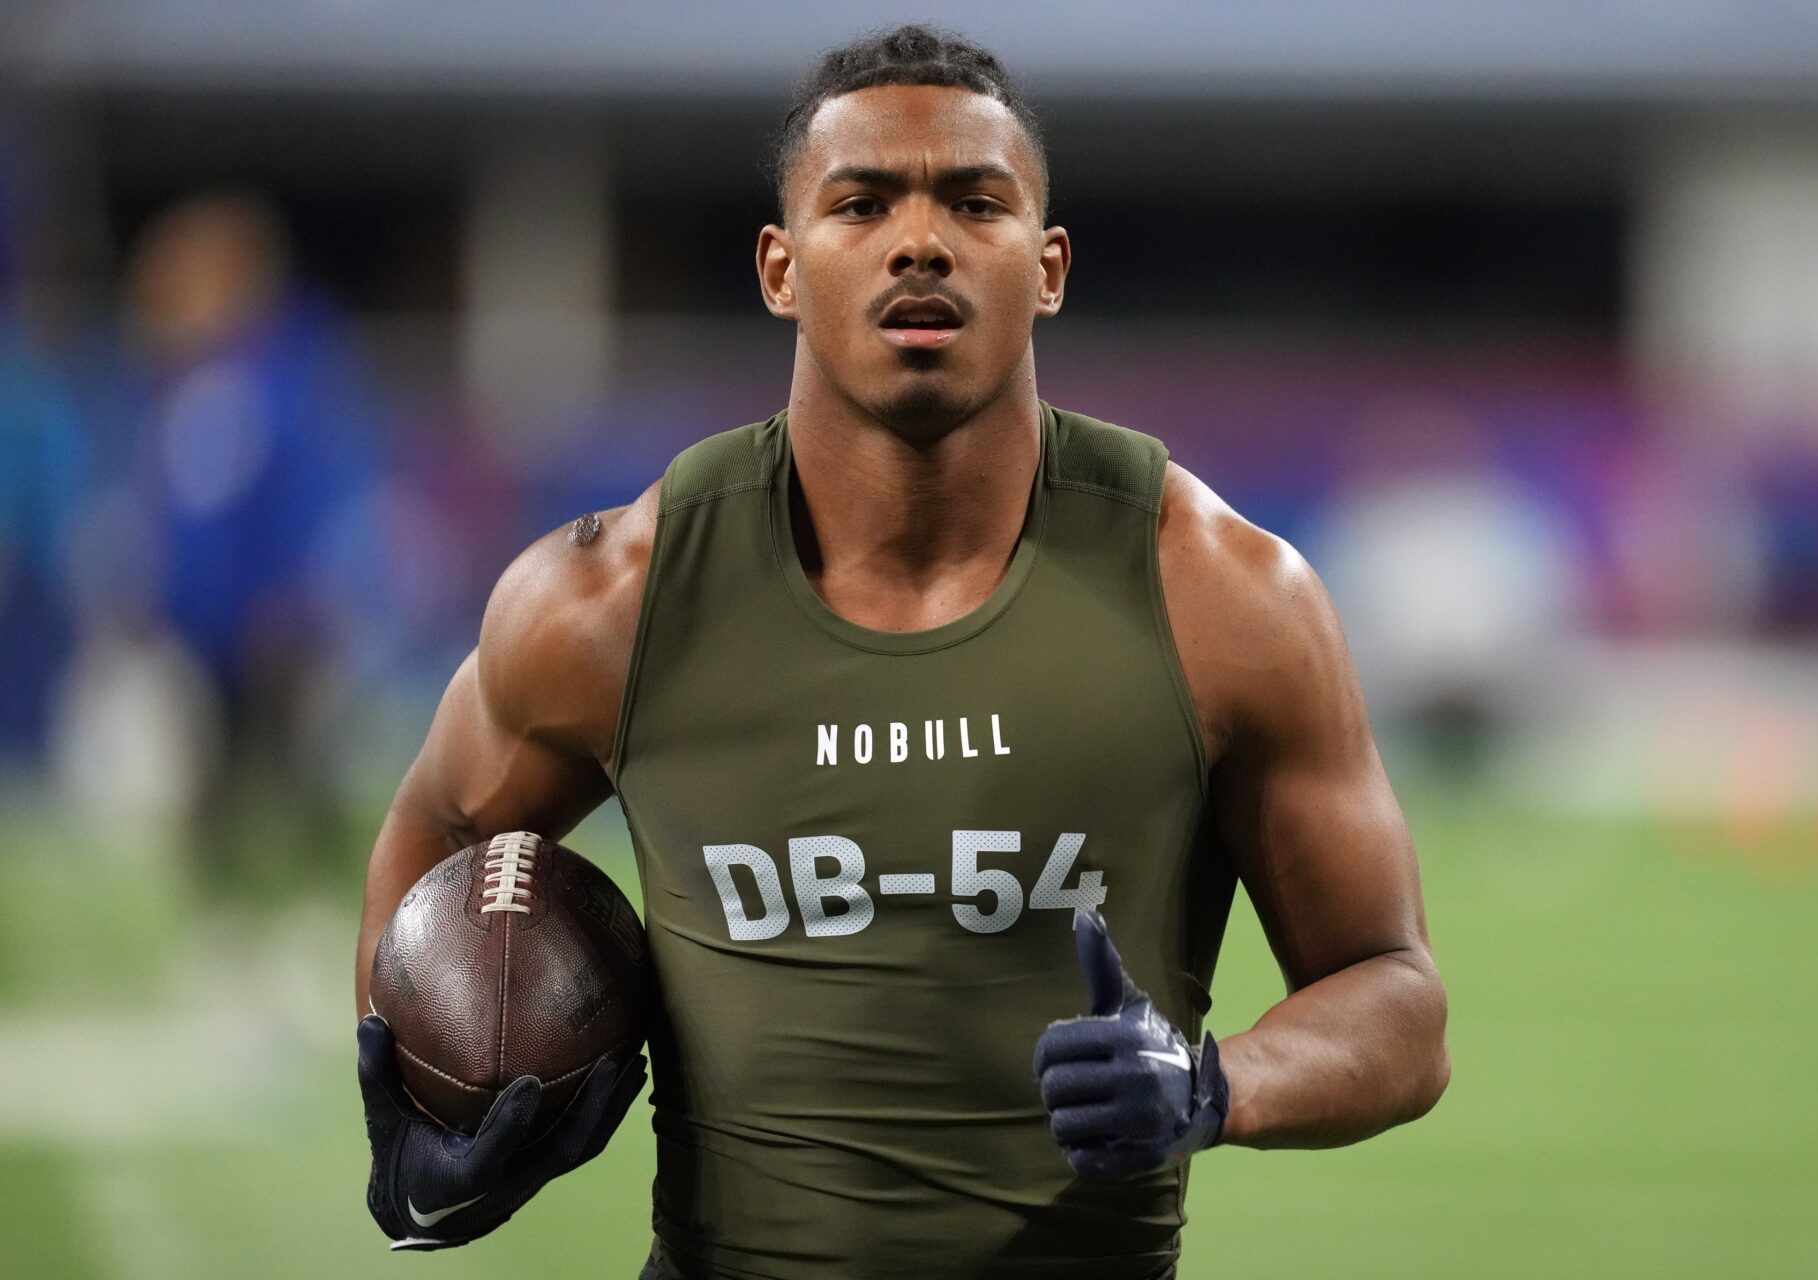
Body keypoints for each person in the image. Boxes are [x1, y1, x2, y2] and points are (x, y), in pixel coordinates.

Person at [353, 24, 1448, 1279]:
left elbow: (1395, 993)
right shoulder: (611, 598)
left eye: (974, 203)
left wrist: (1215, 1083)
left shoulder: (1222, 593)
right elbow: (438, 821)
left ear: (1047, 267)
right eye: (861, 202)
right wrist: (424, 1107)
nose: (917, 241)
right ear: (780, 267)